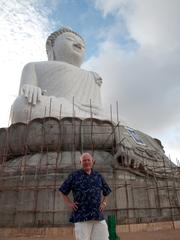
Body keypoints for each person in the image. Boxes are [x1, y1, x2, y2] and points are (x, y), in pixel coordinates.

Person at [11, 27, 103, 123]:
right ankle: (90, 123)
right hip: (52, 108)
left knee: (119, 120)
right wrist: (30, 89)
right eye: (70, 39)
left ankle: (90, 122)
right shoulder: (33, 66)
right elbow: (23, 93)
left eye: (83, 45)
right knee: (22, 104)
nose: (78, 44)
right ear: (51, 45)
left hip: (90, 115)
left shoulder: (92, 76)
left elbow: (98, 108)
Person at [59, 152, 111, 240]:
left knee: (104, 237)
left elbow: (107, 192)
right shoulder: (74, 176)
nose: (86, 162)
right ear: (80, 162)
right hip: (81, 216)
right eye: (84, 160)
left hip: (97, 215)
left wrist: (104, 203)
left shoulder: (98, 176)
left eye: (88, 160)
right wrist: (69, 204)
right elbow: (63, 191)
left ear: (92, 161)